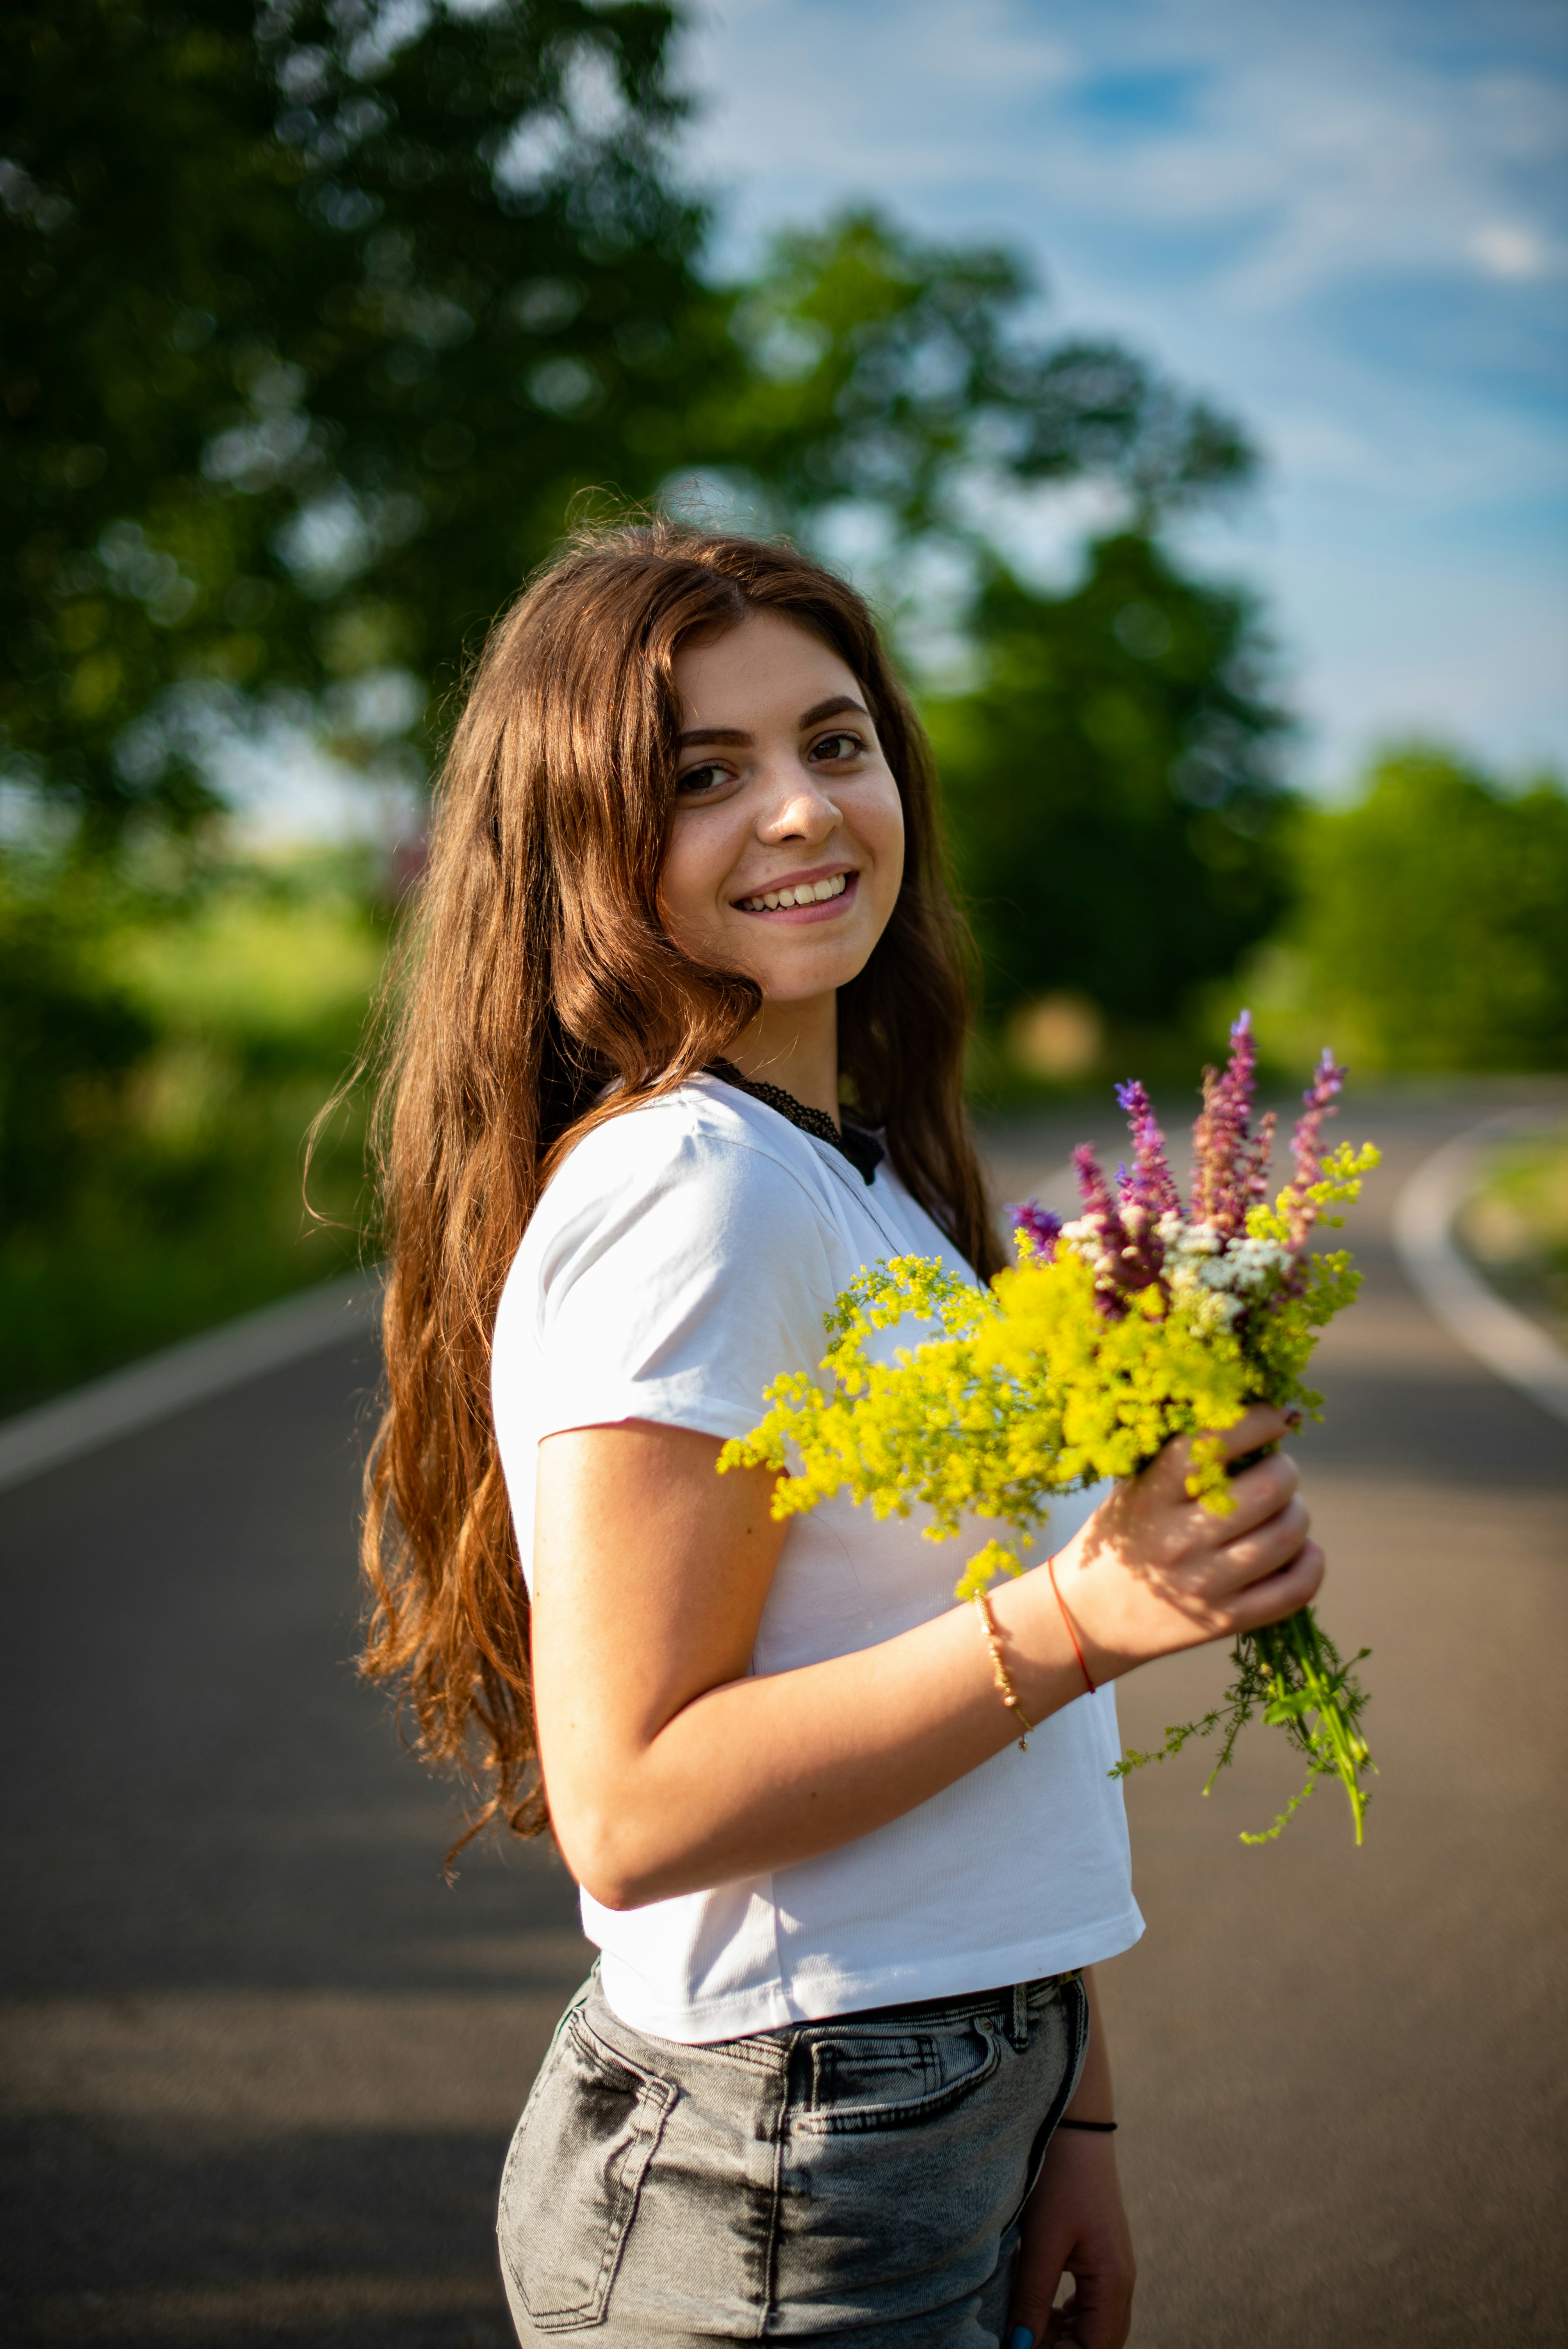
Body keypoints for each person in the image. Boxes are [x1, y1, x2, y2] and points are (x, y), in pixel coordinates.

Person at [361, 523, 1324, 2349]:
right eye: (701, 776)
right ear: (577, 845)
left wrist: (1073, 2108)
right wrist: (1088, 1611)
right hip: (780, 2165)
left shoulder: (850, 1175)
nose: (800, 812)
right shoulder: (692, 1189)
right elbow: (633, 1804)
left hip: (931, 2105)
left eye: (833, 741)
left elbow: (974, 1733)